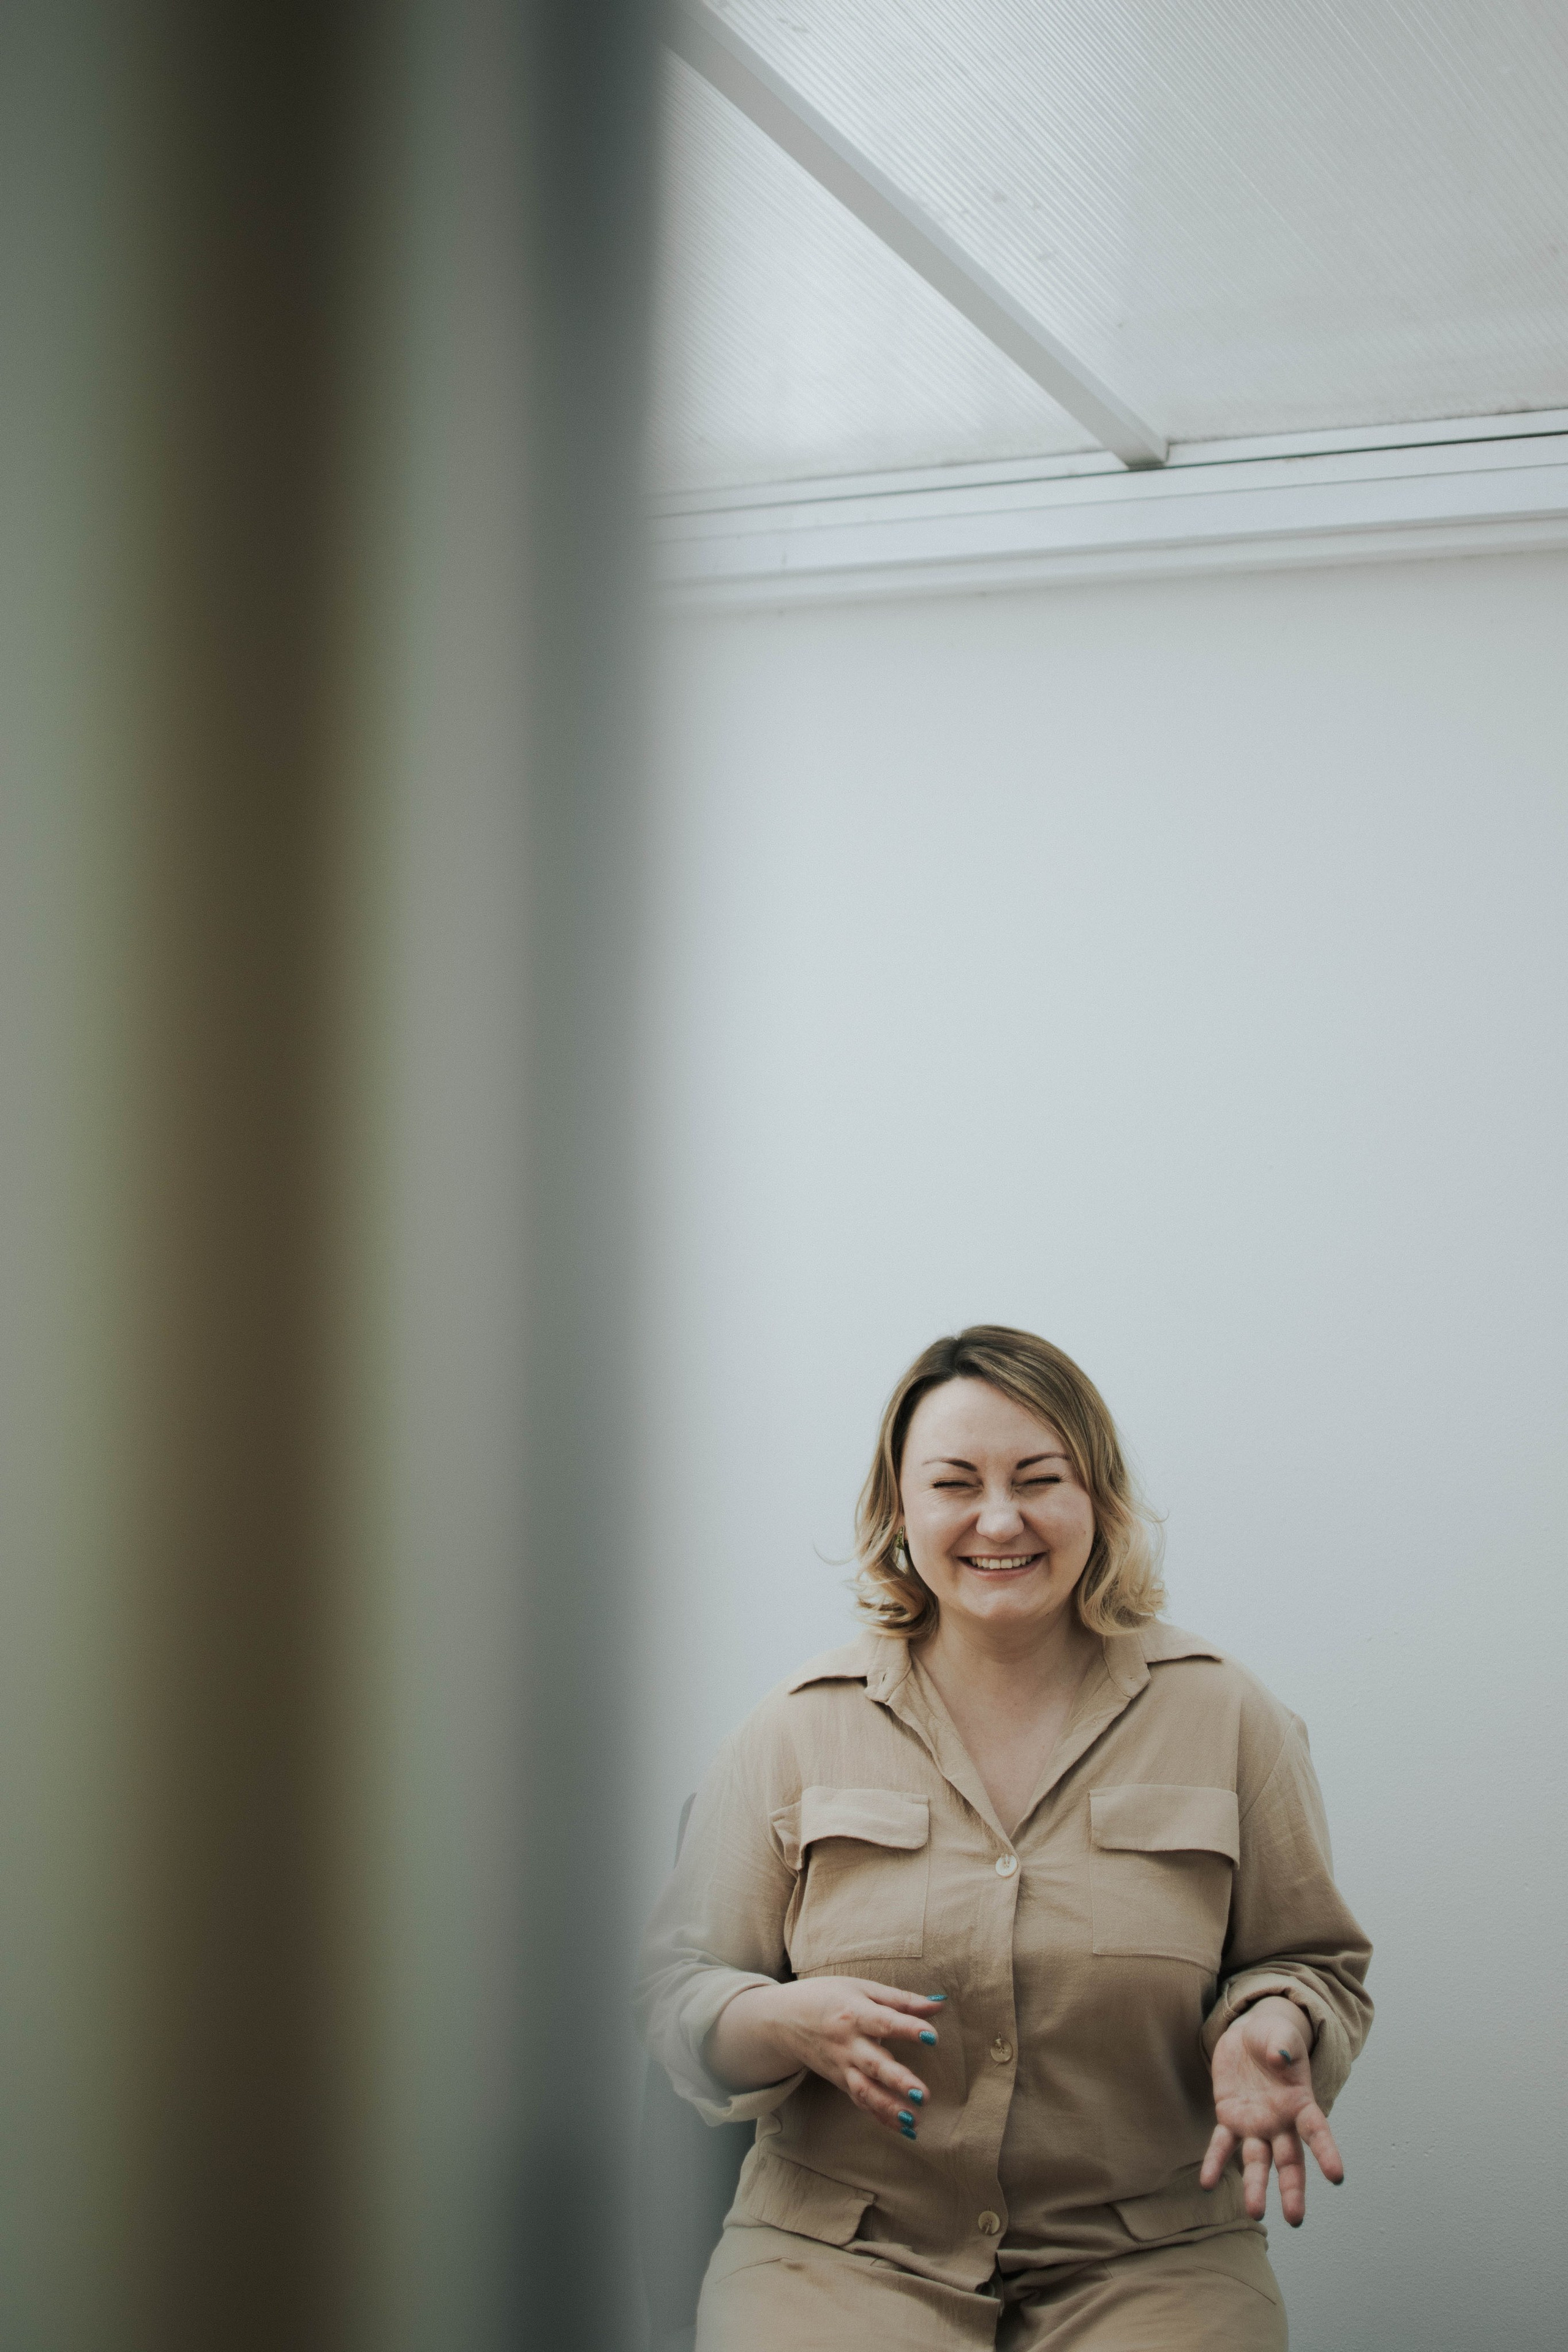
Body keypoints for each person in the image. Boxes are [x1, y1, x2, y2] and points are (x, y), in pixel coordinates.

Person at [637, 1326, 1373, 2351]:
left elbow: (1314, 1961)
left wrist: (1276, 2021)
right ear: (902, 1512)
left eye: (1038, 1478)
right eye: (955, 1484)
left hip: (1148, 2256)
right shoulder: (795, 1728)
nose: (999, 1518)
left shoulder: (1231, 1717)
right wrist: (780, 2020)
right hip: (840, 2252)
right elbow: (675, 1991)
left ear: (1098, 1500)